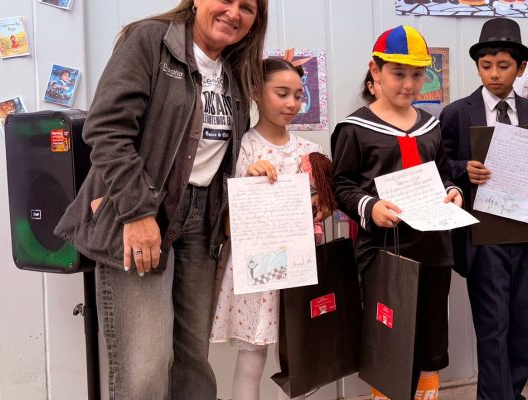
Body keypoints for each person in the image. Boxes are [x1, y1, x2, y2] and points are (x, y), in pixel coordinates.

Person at [54, 1, 267, 398]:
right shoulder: (150, 40)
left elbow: (214, 154)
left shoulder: (236, 69)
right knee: (145, 370)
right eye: (226, 0)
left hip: (201, 226)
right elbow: (106, 129)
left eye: (247, 7)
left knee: (193, 365)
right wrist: (137, 213)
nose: (234, 13)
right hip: (141, 212)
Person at [331, 25, 463, 400]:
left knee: (431, 336)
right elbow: (342, 187)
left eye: (417, 75)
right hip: (384, 253)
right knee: (389, 338)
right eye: (398, 73)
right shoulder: (354, 129)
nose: (409, 84)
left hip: (434, 249)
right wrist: (370, 207)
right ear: (375, 71)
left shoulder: (431, 125)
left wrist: (453, 193)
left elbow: (445, 174)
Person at [439, 18, 528, 400]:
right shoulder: (457, 113)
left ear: (521, 68)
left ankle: (514, 391)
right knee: (493, 325)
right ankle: (494, 396)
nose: (493, 74)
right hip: (481, 235)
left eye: (503, 66)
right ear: (477, 67)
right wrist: (463, 170)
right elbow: (439, 168)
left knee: (522, 323)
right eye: (485, 66)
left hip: (523, 234)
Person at [210, 58, 334, 400]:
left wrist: (319, 207)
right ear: (255, 93)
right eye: (282, 93)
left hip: (299, 265)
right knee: (252, 355)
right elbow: (225, 218)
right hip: (257, 266)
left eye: (298, 95)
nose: (292, 103)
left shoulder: (312, 152)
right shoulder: (242, 149)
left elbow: (324, 210)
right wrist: (248, 180)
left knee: (299, 354)